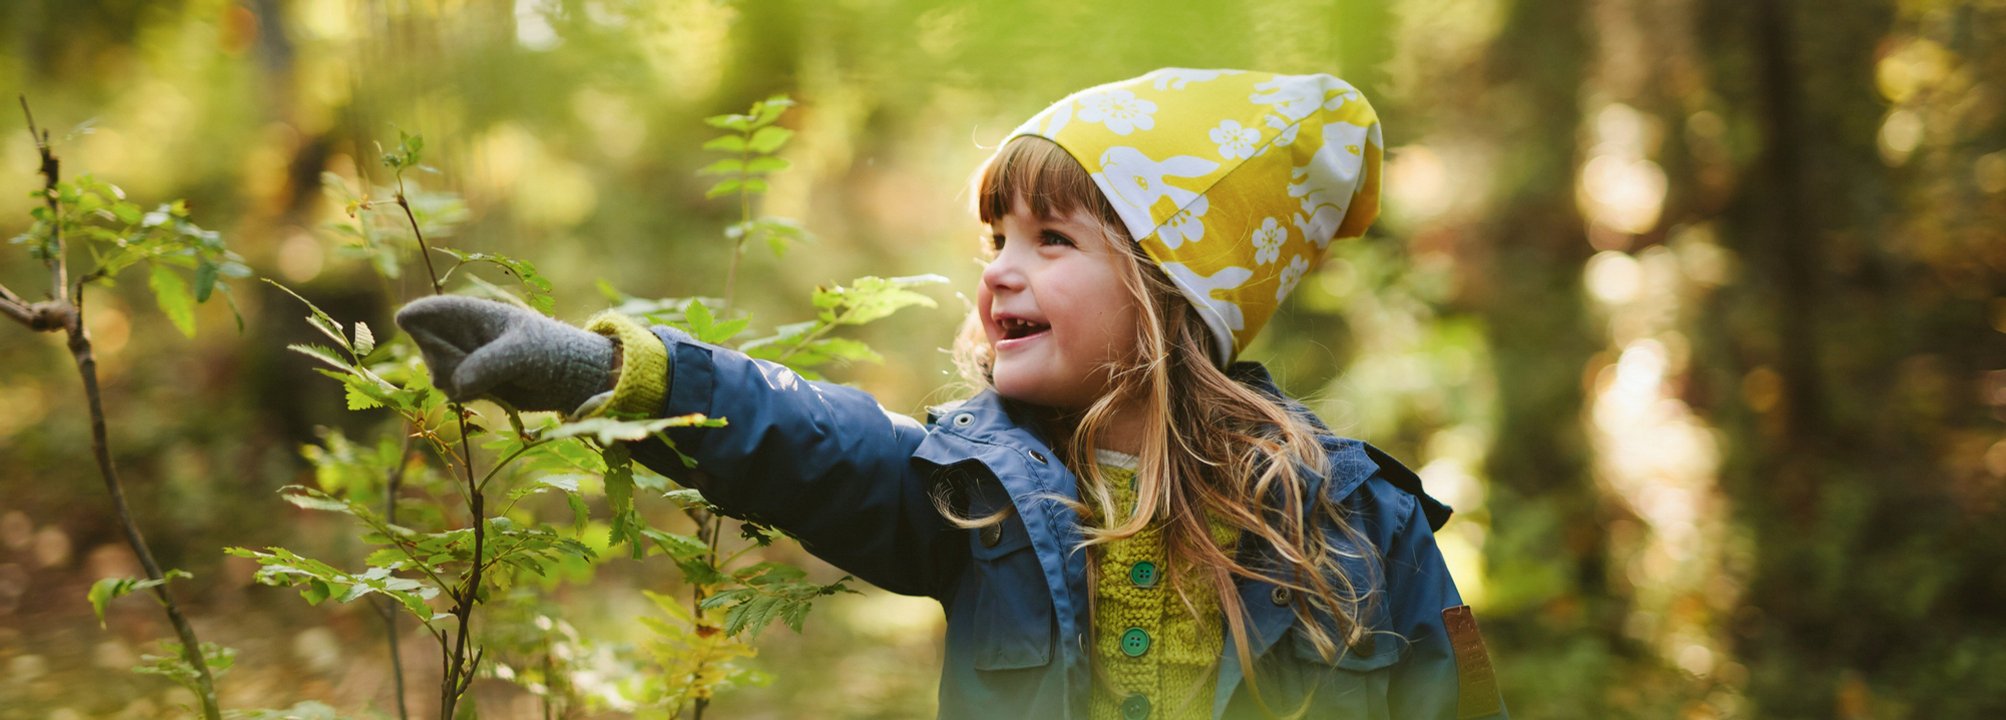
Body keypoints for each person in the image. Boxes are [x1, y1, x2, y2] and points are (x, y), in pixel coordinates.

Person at [397, 68, 1506, 720]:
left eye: (1051, 238)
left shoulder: (1354, 519)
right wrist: (604, 374)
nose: (997, 270)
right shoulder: (980, 494)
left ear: (1171, 291)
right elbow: (804, 439)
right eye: (994, 239)